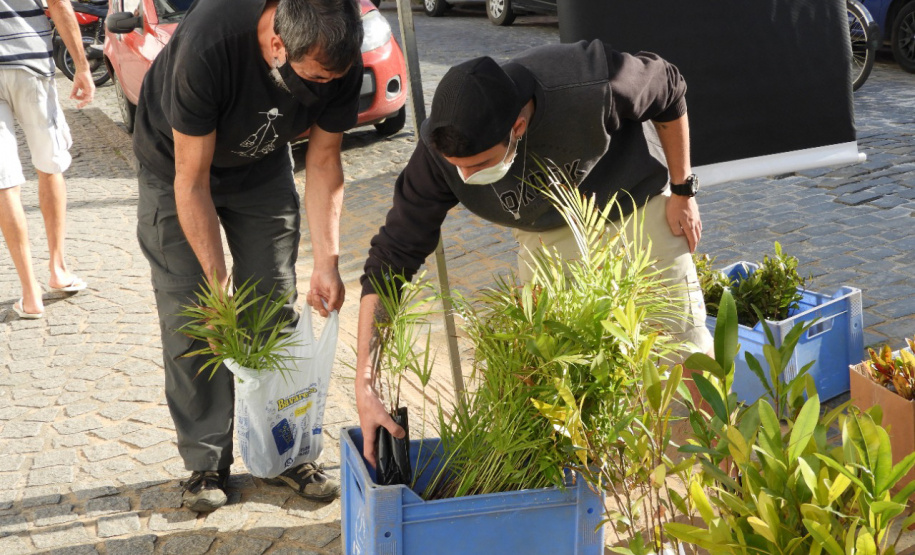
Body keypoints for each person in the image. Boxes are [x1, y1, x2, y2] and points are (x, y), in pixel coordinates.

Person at [354, 40, 714, 466]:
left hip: (635, 208)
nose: (465, 177)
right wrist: (365, 378)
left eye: (478, 163)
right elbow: (392, 256)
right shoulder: (439, 155)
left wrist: (682, 189)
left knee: (683, 353)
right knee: (553, 376)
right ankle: (600, 490)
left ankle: (717, 478)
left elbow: (669, 86)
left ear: (518, 129)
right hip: (546, 232)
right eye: (457, 167)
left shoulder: (590, 81)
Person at [133, 0, 363, 512]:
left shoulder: (340, 52)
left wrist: (328, 259)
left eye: (335, 78)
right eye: (316, 77)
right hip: (177, 166)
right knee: (194, 315)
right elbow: (190, 183)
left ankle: (285, 451)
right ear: (279, 45)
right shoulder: (211, 44)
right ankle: (205, 463)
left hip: (260, 167)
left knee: (272, 302)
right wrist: (218, 291)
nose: (326, 88)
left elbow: (324, 161)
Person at [0, 0, 94, 319]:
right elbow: (58, 4)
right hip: (30, 63)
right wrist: (81, 66)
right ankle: (58, 269)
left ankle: (30, 295)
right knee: (49, 167)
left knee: (4, 184)